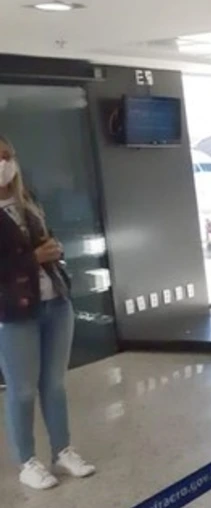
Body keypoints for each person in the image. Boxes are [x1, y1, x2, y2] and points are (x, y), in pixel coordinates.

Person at [0, 136, 95, 490]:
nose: (4, 164)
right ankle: (27, 461)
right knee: (22, 390)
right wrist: (32, 259)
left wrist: (54, 251)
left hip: (55, 302)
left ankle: (63, 450)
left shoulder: (28, 201)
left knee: (54, 385)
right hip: (14, 312)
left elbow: (47, 241)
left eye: (7, 156)